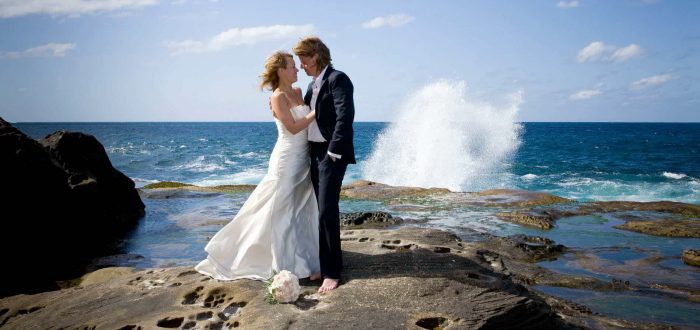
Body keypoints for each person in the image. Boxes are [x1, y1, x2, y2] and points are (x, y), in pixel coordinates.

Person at [195, 51, 321, 282]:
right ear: (281, 71)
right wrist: (316, 112)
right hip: (286, 159)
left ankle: (302, 258)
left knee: (299, 208)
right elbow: (293, 127)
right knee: (281, 209)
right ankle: (277, 262)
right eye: (292, 66)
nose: (297, 70)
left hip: (303, 157)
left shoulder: (297, 92)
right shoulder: (277, 97)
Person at [294, 36, 356, 293]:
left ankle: (332, 272)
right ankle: (326, 262)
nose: (301, 65)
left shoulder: (338, 79)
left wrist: (332, 150)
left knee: (327, 210)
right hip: (315, 153)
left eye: (304, 59)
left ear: (316, 56)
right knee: (320, 210)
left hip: (331, 154)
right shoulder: (312, 86)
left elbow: (346, 116)